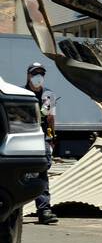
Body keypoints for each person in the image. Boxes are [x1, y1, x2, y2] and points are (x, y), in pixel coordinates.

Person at [25, 62, 58, 225]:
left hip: (42, 137)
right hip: (24, 137)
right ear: (28, 76)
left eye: (41, 74)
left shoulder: (49, 95)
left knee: (42, 170)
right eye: (35, 73)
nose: (38, 77)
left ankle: (44, 210)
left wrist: (52, 137)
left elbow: (51, 118)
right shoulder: (21, 93)